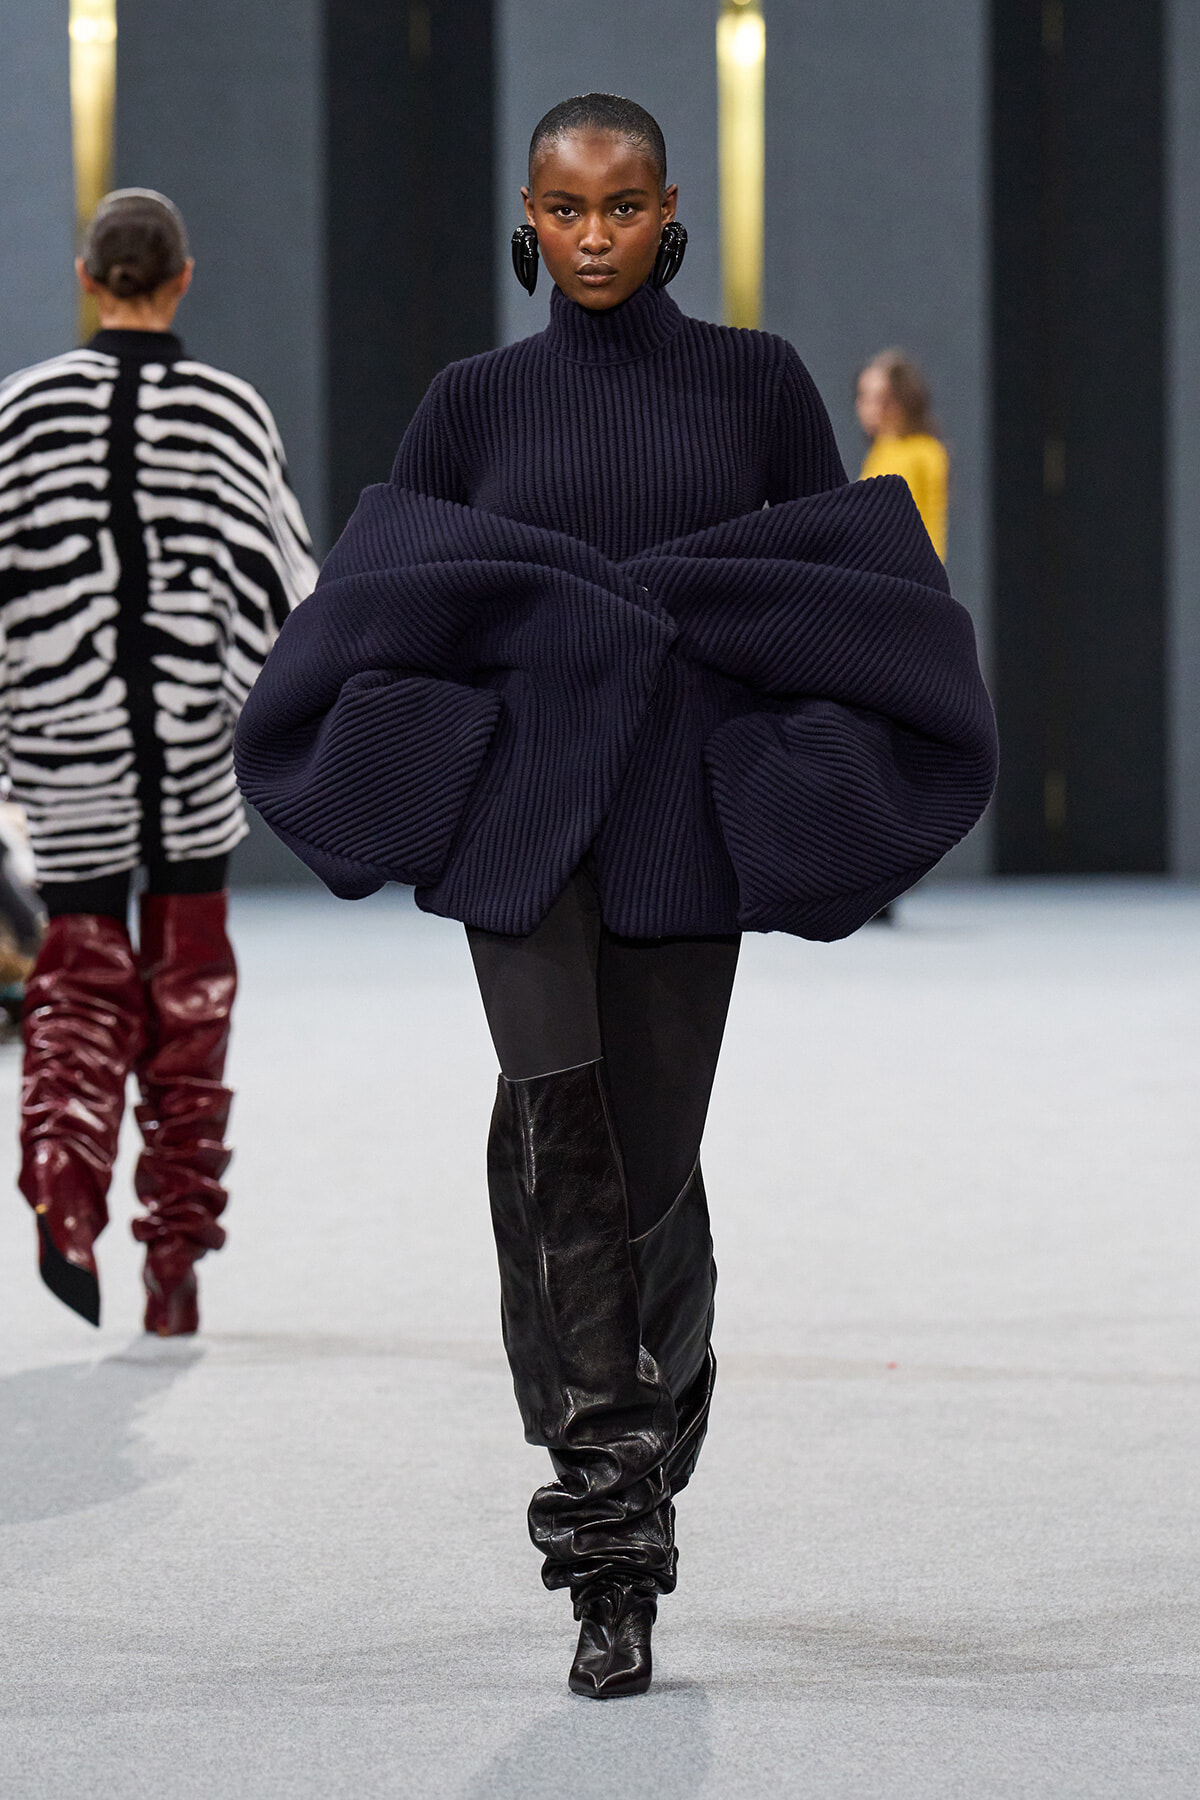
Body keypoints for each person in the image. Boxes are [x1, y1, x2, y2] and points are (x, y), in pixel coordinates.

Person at [236, 97, 996, 1696]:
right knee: (562, 1137)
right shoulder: (472, 401)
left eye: (625, 205)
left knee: (643, 1168)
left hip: (677, 829)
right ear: (529, 213)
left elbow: (831, 597)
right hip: (525, 828)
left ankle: (657, 1383)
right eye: (568, 209)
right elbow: (391, 605)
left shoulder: (758, 382)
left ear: (671, 215)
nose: (595, 235)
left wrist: (775, 748)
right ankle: (611, 1550)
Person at [0, 188, 316, 1335]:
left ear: (90, 279)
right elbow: (287, 588)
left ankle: (64, 1186)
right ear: (185, 277)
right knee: (191, 990)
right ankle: (172, 1259)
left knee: (77, 968)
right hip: (192, 743)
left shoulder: (20, 414)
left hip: (64, 743)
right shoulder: (232, 414)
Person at [856, 348, 949, 560]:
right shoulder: (880, 450)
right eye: (863, 397)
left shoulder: (924, 452)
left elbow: (925, 527)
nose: (864, 407)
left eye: (877, 398)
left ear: (899, 401)